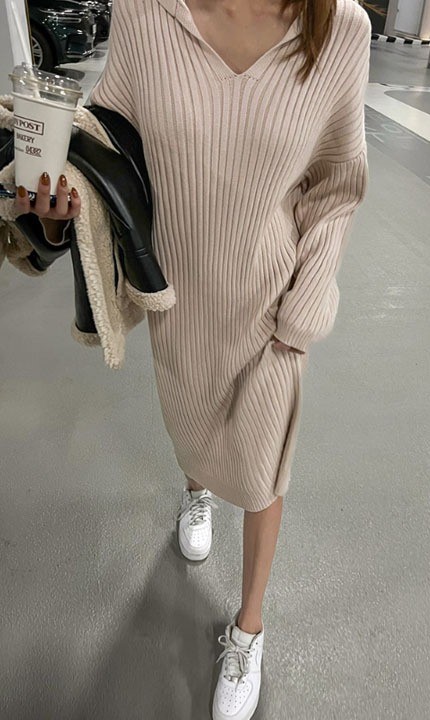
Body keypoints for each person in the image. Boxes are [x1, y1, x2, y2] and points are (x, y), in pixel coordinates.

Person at [14, 0, 370, 716]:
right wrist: (57, 199)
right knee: (193, 424)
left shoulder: (339, 27)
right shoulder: (147, 13)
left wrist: (301, 314)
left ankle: (249, 628)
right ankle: (197, 488)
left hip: (270, 303)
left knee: (265, 467)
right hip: (177, 302)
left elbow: (336, 186)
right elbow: (107, 146)